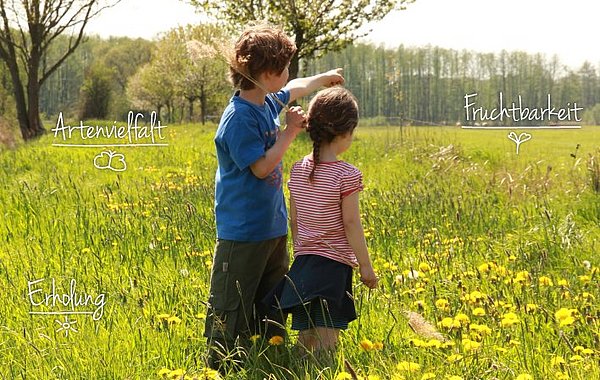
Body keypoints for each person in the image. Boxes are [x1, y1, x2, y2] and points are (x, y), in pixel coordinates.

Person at [204, 23, 344, 370]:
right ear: (267, 74)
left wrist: (319, 80)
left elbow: (293, 89)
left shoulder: (265, 100)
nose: (288, 75)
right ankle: (221, 363)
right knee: (233, 300)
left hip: (271, 227)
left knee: (271, 298)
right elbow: (261, 168)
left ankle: (269, 355)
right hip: (243, 231)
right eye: (283, 69)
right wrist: (290, 132)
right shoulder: (238, 118)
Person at [267, 86, 378, 356]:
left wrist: (301, 250)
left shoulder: (299, 168)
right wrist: (365, 267)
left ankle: (291, 372)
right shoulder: (346, 174)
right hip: (333, 269)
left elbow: (294, 219)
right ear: (345, 132)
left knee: (305, 340)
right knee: (328, 345)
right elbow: (351, 223)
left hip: (304, 264)